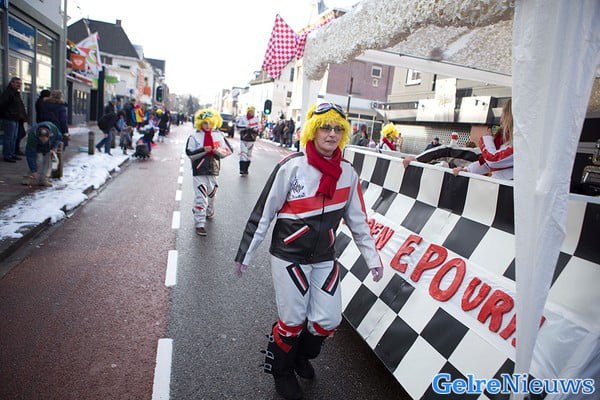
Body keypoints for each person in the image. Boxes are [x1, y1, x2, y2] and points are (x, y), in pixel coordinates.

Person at [235, 102, 383, 400]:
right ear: (313, 131)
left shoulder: (348, 172)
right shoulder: (291, 166)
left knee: (327, 321)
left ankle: (299, 356)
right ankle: (281, 370)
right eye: (325, 127)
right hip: (289, 257)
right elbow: (264, 213)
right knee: (292, 321)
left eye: (338, 128)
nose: (331, 134)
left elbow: (358, 221)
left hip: (325, 258)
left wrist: (372, 258)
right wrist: (245, 255)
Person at [185, 108, 233, 236]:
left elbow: (229, 150)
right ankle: (200, 224)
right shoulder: (194, 136)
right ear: (200, 122)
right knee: (201, 198)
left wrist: (217, 151)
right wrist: (203, 150)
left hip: (213, 170)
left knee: (211, 195)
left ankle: (208, 211)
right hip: (199, 171)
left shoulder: (219, 135)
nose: (207, 125)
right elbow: (189, 153)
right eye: (205, 123)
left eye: (210, 123)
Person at [453, 99, 514, 180]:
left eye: (504, 114)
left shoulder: (520, 144)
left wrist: (487, 139)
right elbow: (486, 163)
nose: (501, 119)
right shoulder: (504, 140)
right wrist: (467, 170)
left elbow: (493, 160)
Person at [22, 122, 62, 187]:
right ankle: (27, 177)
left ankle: (44, 179)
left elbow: (59, 138)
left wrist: (54, 147)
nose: (43, 141)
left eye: (45, 139)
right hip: (37, 146)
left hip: (49, 147)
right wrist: (34, 171)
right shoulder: (32, 137)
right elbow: (30, 156)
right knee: (37, 161)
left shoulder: (54, 131)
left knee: (48, 162)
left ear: (49, 136)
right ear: (38, 136)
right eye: (41, 139)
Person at [0, 77, 28, 162]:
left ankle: (12, 154)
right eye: (17, 83)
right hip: (9, 118)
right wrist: (8, 114)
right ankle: (7, 155)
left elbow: (19, 106)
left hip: (15, 119)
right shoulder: (8, 92)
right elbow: (2, 105)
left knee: (14, 138)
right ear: (12, 83)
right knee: (9, 138)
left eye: (20, 83)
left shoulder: (16, 93)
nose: (19, 85)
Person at [236, 106, 260, 175]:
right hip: (243, 138)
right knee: (243, 153)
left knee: (249, 154)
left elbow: (258, 128)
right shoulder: (243, 118)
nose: (251, 113)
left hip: (251, 139)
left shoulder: (256, 119)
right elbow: (238, 125)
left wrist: (254, 129)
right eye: (250, 111)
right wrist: (245, 127)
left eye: (252, 112)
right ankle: (242, 169)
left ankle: (246, 169)